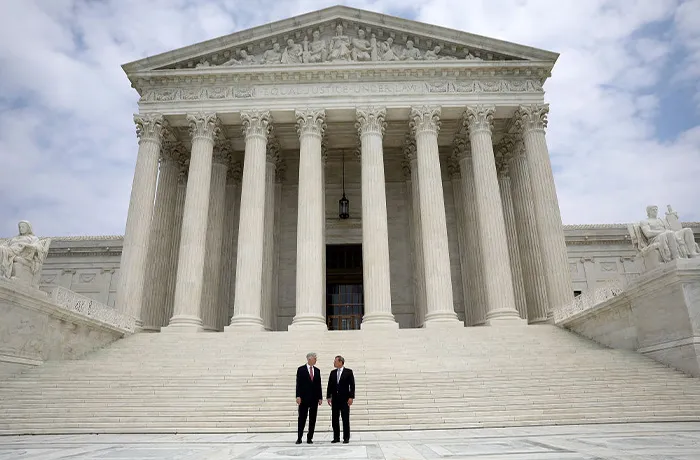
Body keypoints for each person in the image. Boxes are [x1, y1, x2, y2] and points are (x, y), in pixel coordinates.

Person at [326, 355, 355, 444]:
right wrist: (328, 396)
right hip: (335, 400)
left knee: (345, 419)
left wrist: (351, 397)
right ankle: (336, 437)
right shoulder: (333, 373)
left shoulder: (348, 372)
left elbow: (352, 385)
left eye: (335, 361)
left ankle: (346, 437)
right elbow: (329, 385)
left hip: (345, 400)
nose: (334, 363)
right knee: (335, 419)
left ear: (340, 362)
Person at [295, 352, 322, 444]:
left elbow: (319, 385)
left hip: (314, 399)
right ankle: (299, 437)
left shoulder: (317, 370)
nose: (316, 360)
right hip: (303, 399)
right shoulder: (301, 369)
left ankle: (310, 437)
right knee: (302, 418)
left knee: (312, 419)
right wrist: (298, 396)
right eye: (315, 358)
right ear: (309, 359)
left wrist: (320, 397)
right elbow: (298, 384)